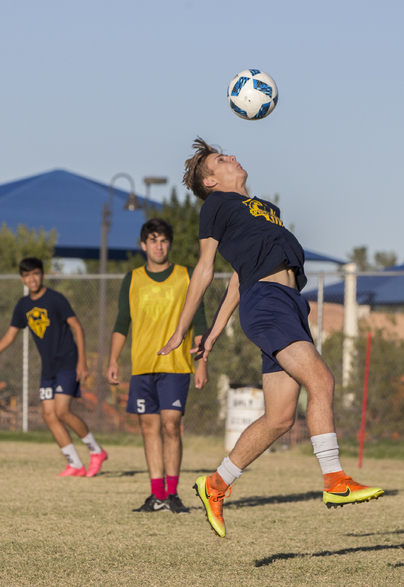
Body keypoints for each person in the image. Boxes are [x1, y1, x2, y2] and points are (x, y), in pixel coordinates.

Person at [158, 138, 384, 538]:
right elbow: (205, 269)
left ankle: (215, 485)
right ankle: (335, 480)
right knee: (322, 381)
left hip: (289, 303)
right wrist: (183, 328)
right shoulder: (216, 206)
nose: (232, 158)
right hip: (268, 304)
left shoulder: (265, 209)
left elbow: (237, 281)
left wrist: (211, 334)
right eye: (221, 160)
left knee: (280, 417)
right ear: (210, 181)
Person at [107, 218, 209, 513]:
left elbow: (200, 321)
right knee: (149, 427)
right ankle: (157, 495)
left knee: (171, 424)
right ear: (144, 245)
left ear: (170, 245)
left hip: (176, 365)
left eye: (163, 240)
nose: (159, 246)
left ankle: (173, 493)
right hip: (142, 365)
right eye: (153, 240)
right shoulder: (133, 278)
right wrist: (113, 359)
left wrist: (202, 363)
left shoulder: (185, 275)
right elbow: (121, 322)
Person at [0, 257, 108, 477]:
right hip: (48, 369)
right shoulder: (23, 306)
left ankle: (96, 451)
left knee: (62, 411)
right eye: (27, 275)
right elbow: (10, 336)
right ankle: (75, 464)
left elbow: (77, 327)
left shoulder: (55, 299)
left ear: (42, 275)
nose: (32, 278)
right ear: (22, 278)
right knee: (49, 414)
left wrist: (82, 361)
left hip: (68, 362)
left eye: (36, 273)